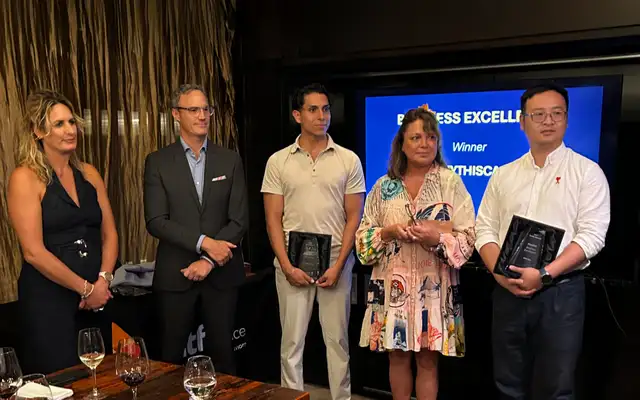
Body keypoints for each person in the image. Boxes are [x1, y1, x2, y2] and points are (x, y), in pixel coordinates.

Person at [475, 83, 610, 400]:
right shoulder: (503, 175)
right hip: (507, 292)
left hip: (560, 294)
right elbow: (485, 230)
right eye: (538, 115)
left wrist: (546, 274)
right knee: (507, 384)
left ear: (566, 119)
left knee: (556, 388)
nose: (548, 121)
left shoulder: (587, 173)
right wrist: (499, 275)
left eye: (557, 113)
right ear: (522, 122)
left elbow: (592, 236)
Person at [356, 105, 476, 400]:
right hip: (392, 289)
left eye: (431, 137)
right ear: (402, 144)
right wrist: (388, 232)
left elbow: (469, 239)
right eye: (416, 138)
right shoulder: (383, 187)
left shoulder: (451, 183)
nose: (425, 144)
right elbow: (362, 245)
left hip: (433, 291)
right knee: (396, 359)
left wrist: (437, 238)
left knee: (427, 361)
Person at [261, 83, 365, 400]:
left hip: (336, 263)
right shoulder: (278, 161)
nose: (322, 116)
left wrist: (339, 265)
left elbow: (354, 218)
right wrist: (286, 265)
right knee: (292, 343)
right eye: (313, 109)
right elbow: (272, 219)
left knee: (338, 342)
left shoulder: (348, 160)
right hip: (291, 264)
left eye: (326, 109)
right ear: (297, 115)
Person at [7, 90, 117, 374]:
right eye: (59, 124)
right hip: (49, 301)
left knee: (100, 379)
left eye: (72, 122)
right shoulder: (25, 178)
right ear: (38, 131)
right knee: (61, 382)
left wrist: (103, 281)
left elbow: (109, 234)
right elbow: (33, 252)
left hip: (96, 299)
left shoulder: (90, 174)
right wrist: (86, 289)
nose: (70, 130)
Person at [143, 84, 248, 373]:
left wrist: (208, 260)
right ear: (176, 114)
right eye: (193, 110)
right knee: (169, 361)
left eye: (206, 109)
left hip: (222, 277)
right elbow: (156, 221)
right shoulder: (158, 162)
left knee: (224, 359)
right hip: (176, 275)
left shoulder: (230, 159)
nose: (202, 116)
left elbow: (239, 220)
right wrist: (204, 243)